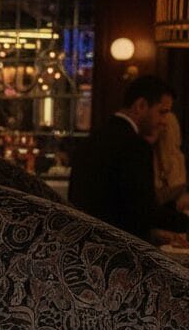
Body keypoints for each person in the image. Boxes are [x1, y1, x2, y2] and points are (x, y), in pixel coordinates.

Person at [68, 74, 177, 242]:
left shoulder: (94, 138)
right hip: (117, 251)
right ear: (141, 105)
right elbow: (142, 211)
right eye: (162, 112)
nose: (164, 122)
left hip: (82, 242)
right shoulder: (135, 146)